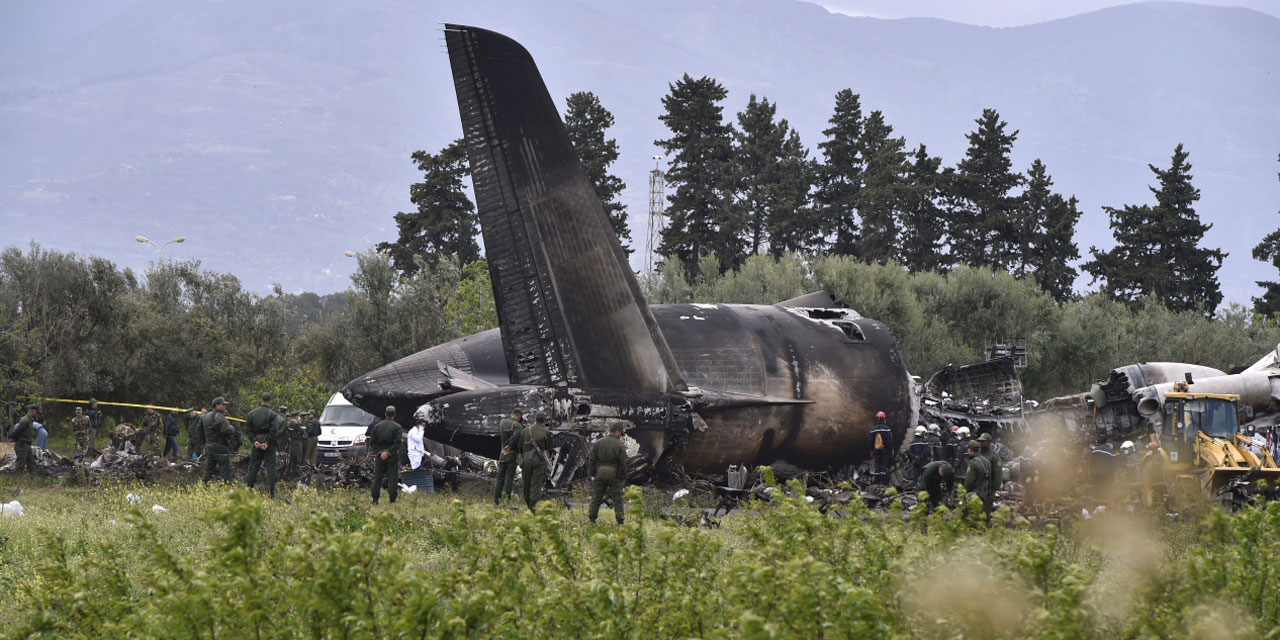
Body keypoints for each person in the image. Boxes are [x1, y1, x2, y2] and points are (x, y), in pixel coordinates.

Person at [588, 423, 628, 524]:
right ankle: (620, 521)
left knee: (596, 498)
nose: (620, 436)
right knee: (618, 499)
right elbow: (623, 463)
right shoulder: (620, 445)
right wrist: (623, 477)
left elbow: (592, 460)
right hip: (613, 474)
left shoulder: (598, 443)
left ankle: (592, 519)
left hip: (600, 473)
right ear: (617, 432)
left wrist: (593, 473)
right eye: (620, 434)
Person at [245, 393, 282, 496]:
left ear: (261, 400)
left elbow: (248, 430)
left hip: (256, 442)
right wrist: (268, 442)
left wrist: (254, 441)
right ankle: (273, 492)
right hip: (268, 444)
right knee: (271, 468)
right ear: (270, 401)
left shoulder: (252, 413)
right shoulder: (272, 414)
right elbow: (275, 430)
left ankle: (248, 490)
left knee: (253, 467)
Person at [516, 411, 553, 510]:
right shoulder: (547, 432)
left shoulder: (525, 431)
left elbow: (519, 446)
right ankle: (533, 505)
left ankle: (528, 504)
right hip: (538, 459)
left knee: (526, 484)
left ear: (535, 419)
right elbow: (549, 447)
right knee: (536, 484)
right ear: (544, 421)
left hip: (525, 459)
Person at [369, 406, 403, 505]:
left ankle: (375, 500)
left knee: (377, 478)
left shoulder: (377, 426)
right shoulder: (397, 427)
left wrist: (380, 453)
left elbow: (372, 442)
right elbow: (397, 443)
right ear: (394, 415)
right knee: (392, 477)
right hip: (391, 457)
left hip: (380, 456)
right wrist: (388, 453)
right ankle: (392, 500)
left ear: (385, 414)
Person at [201, 397, 237, 483]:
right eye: (223, 404)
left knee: (208, 470)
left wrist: (205, 443)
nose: (225, 406)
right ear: (216, 405)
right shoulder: (220, 416)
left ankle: (203, 486)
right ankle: (225, 490)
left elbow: (199, 431)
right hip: (221, 449)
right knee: (226, 472)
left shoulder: (204, 417)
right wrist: (232, 429)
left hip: (209, 448)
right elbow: (227, 431)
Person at [493, 409, 524, 505]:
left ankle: (496, 501)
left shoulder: (503, 422)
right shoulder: (517, 425)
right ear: (518, 416)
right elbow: (516, 436)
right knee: (509, 478)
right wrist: (510, 446)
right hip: (511, 454)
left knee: (500, 478)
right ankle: (506, 501)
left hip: (502, 454)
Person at [963, 440, 992, 514]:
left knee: (969, 516)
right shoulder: (987, 461)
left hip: (973, 495)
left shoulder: (973, 462)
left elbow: (969, 481)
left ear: (970, 449)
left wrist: (963, 492)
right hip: (983, 494)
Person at [10, 405, 39, 474]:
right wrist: (12, 438)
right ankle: (15, 480)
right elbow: (18, 431)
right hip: (22, 445)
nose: (38, 415)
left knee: (32, 463)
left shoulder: (30, 420)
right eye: (37, 413)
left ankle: (34, 480)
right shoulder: (25, 420)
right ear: (33, 411)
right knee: (20, 464)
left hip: (27, 445)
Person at [978, 432, 1003, 502]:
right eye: (979, 441)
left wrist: (993, 491)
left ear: (988, 443)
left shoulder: (994, 457)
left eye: (983, 441)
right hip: (976, 488)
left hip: (987, 489)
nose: (980, 443)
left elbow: (997, 475)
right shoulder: (977, 455)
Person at [869, 411, 893, 480]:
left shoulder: (873, 429)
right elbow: (889, 441)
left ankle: (877, 480)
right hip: (885, 450)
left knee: (877, 465)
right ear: (884, 419)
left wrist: (871, 450)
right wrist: (891, 450)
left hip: (876, 450)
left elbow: (871, 441)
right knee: (884, 465)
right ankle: (882, 482)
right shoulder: (887, 428)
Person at [286, 411, 306, 477]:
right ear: (296, 416)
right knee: (298, 455)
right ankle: (295, 471)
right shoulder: (293, 423)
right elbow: (301, 430)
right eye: (298, 416)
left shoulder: (291, 422)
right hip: (296, 441)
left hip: (294, 441)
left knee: (293, 456)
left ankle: (291, 471)